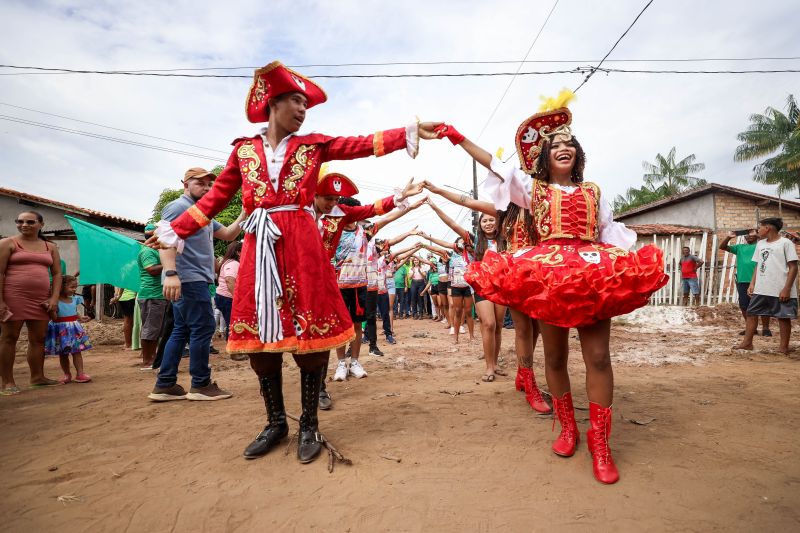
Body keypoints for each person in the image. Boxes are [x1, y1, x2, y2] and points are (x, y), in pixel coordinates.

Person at [148, 60, 441, 464]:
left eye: (306, 103)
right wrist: (175, 230)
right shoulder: (242, 151)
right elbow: (214, 200)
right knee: (260, 341)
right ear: (273, 103)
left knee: (310, 334)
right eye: (296, 101)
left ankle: (308, 423)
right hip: (259, 246)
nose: (303, 110)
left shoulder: (313, 146)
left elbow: (357, 144)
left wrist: (405, 133)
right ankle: (275, 422)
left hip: (302, 246)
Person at [436, 91, 668, 483]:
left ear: (578, 154)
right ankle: (567, 427)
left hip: (593, 273)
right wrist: (455, 135)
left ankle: (601, 443)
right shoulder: (532, 190)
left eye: (569, 143)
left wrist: (627, 266)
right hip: (549, 276)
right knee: (556, 358)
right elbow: (494, 165)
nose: (564, 147)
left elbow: (609, 233)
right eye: (556, 145)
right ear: (544, 158)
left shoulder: (595, 191)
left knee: (598, 358)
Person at [147, 167, 246, 402]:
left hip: (192, 279)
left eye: (209, 184)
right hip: (188, 278)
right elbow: (165, 240)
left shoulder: (204, 214)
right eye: (199, 183)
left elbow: (230, 235)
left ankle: (165, 384)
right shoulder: (179, 207)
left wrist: (244, 213)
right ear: (185, 184)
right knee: (203, 329)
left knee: (181, 330)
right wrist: (171, 273)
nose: (206, 187)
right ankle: (200, 384)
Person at [0, 210, 63, 394]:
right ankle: (7, 382)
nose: (24, 225)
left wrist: (53, 298)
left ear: (41, 225)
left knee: (38, 339)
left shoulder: (50, 247)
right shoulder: (7, 243)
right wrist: (1, 302)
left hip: (41, 300)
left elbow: (57, 274)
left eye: (30, 222)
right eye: (20, 221)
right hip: (13, 297)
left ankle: (37, 377)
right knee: (9, 338)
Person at [735, 218, 798, 354]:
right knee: (751, 313)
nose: (758, 230)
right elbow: (758, 264)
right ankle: (747, 343)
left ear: (768, 228)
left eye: (760, 227)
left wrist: (787, 288)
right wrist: (752, 283)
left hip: (780, 288)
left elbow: (793, 267)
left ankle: (783, 347)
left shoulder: (785, 243)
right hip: (762, 287)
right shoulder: (761, 244)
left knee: (783, 317)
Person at [720, 231, 771, 336]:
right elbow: (722, 247)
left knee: (763, 304)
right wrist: (728, 237)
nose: (749, 236)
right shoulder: (739, 247)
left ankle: (766, 329)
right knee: (744, 305)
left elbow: (768, 242)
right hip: (742, 280)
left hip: (760, 280)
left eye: (751, 234)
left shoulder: (761, 246)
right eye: (747, 234)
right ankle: (751, 328)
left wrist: (757, 235)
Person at [45, 275, 92, 383]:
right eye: (72, 287)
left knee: (77, 351)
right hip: (60, 329)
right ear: (61, 287)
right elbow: (55, 318)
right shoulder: (55, 301)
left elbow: (74, 311)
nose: (74, 289)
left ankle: (80, 374)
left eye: (75, 287)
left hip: (74, 329)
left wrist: (80, 317)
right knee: (63, 353)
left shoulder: (74, 299)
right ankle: (67, 374)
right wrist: (51, 310)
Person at [136, 224, 168, 370]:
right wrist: (170, 262)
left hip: (157, 295)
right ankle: (147, 360)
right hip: (151, 295)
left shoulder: (153, 249)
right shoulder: (147, 252)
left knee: (156, 329)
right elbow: (152, 270)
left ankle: (152, 357)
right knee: (150, 329)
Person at [215, 241, 242, 342]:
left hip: (223, 296)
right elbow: (229, 280)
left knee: (230, 322)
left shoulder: (228, 262)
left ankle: (232, 346)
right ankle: (234, 349)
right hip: (227, 297)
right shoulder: (234, 263)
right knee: (232, 322)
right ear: (238, 252)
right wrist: (237, 298)